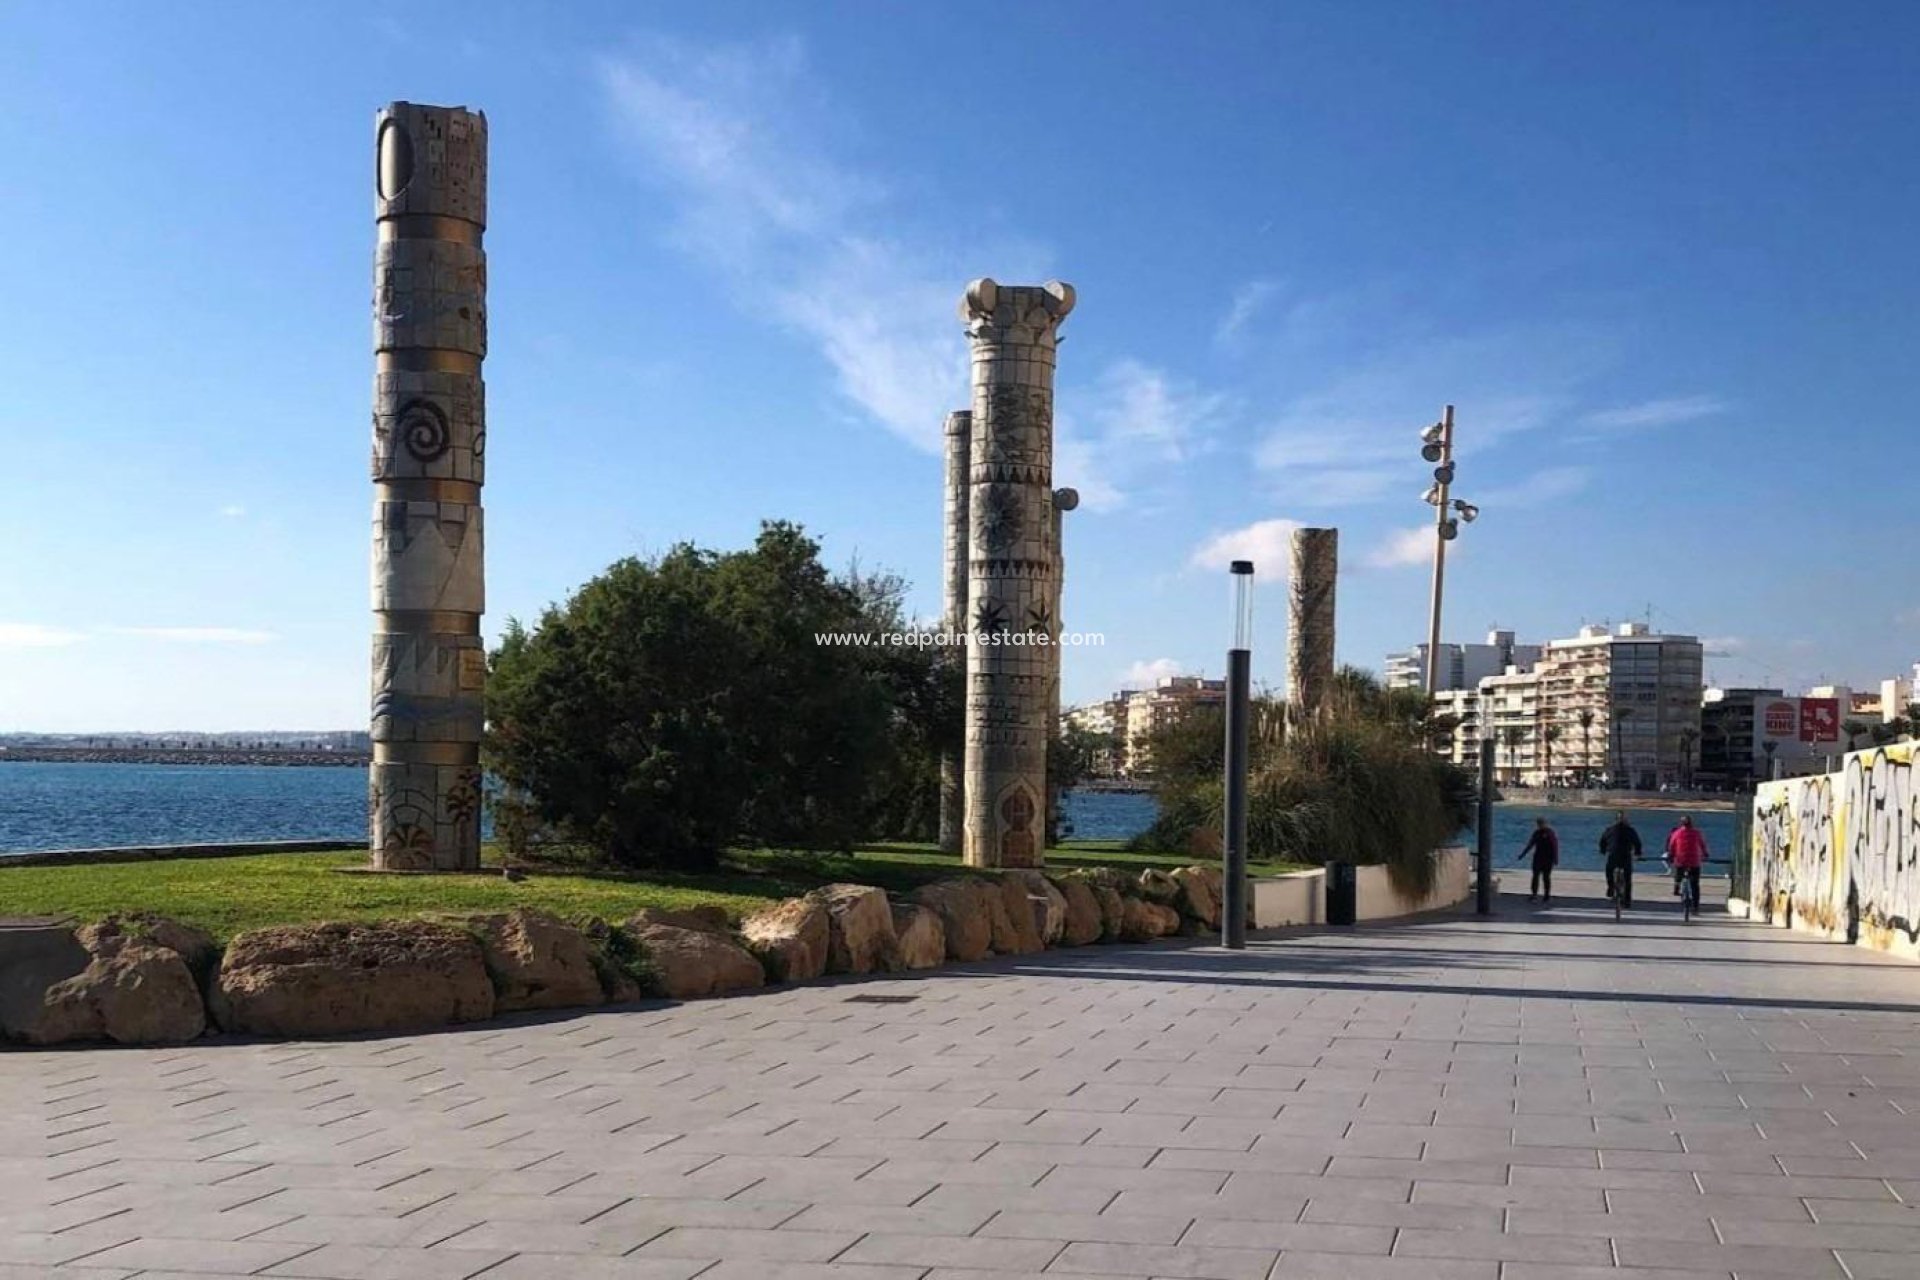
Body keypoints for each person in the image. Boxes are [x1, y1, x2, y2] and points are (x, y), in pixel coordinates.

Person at [1600, 810, 1644, 908]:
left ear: (1615, 820)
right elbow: (1637, 843)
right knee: (1628, 878)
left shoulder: (1610, 829)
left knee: (1609, 870)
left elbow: (1602, 840)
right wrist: (1638, 853)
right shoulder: (1630, 830)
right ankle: (1627, 901)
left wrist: (1603, 851)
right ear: (1625, 820)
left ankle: (1611, 887)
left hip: (1613, 855)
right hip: (1625, 856)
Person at [1665, 814, 1709, 910]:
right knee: (1695, 884)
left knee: (1678, 873)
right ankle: (1696, 905)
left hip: (1681, 860)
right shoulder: (1697, 833)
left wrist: (1670, 856)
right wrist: (1705, 854)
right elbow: (1702, 844)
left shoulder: (1676, 833)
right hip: (1694, 861)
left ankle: (1677, 887)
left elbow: (1671, 846)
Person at [1515, 817, 1559, 903]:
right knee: (1535, 876)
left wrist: (1555, 858)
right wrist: (1522, 855)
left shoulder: (1550, 833)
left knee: (1546, 877)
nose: (1540, 825)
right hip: (1538, 857)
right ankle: (1534, 894)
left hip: (1548, 858)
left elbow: (1555, 846)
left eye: (1541, 823)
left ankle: (1547, 895)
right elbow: (1531, 844)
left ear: (1545, 823)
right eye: (1539, 824)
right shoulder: (1537, 833)